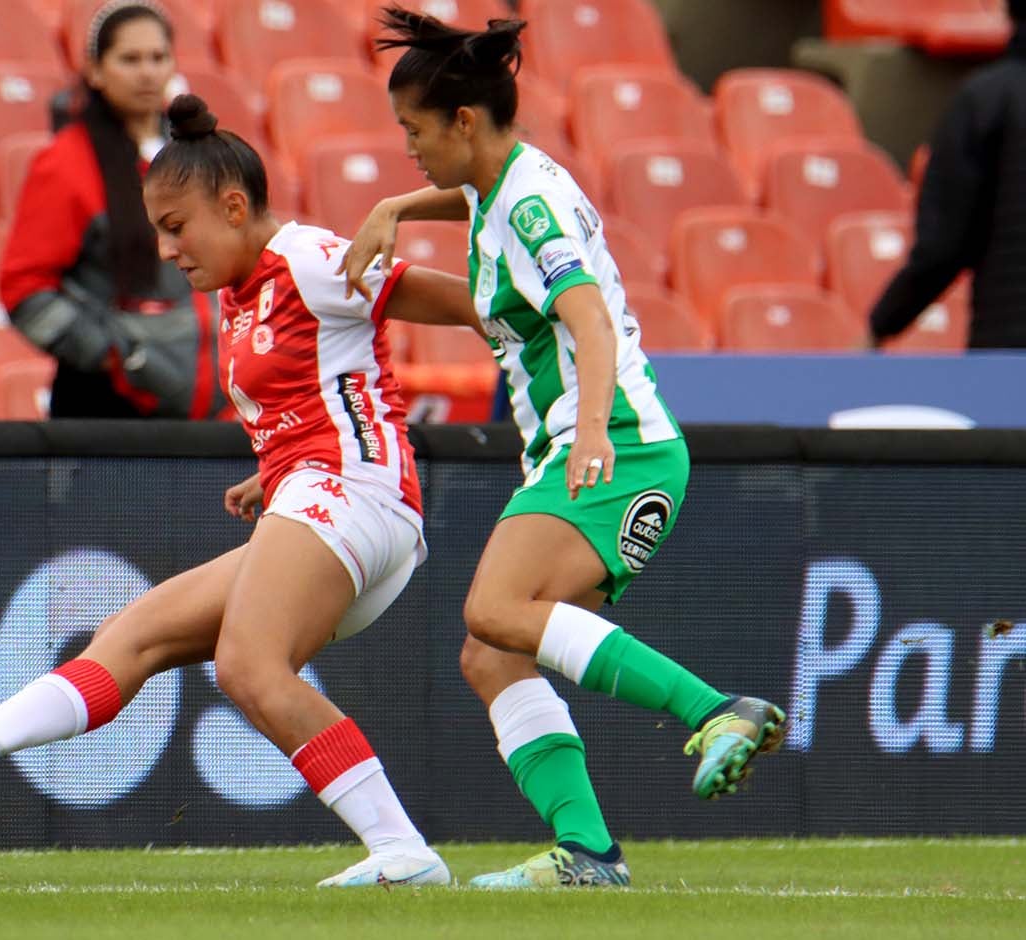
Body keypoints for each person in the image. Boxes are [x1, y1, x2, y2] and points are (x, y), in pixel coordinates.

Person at [0, 93, 487, 889]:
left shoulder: (311, 258)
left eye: (177, 226)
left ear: (233, 206)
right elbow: (327, 386)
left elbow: (473, 306)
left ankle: (401, 849)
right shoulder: (240, 289)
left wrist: (567, 350)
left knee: (247, 666)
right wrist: (273, 471)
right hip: (322, 495)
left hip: (355, 496)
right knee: (134, 635)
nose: (166, 248)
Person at [336, 7, 788, 889]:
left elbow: (586, 317)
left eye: (414, 131)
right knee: (491, 651)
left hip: (615, 445)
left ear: (463, 121)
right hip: (604, 447)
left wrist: (586, 436)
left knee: (495, 609)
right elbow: (472, 196)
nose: (408, 148)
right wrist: (396, 206)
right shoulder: (503, 179)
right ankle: (588, 852)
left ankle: (717, 709)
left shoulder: (528, 204)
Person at [0, 1, 221, 418]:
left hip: (204, 408)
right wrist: (117, 358)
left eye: (158, 57)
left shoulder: (200, 155)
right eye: (130, 59)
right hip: (105, 410)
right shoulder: (65, 164)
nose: (147, 72)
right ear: (96, 71)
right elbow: (24, 288)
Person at [868, 0, 1026, 349]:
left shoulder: (987, 98)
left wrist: (881, 325)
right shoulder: (990, 101)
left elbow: (943, 247)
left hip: (1010, 354)